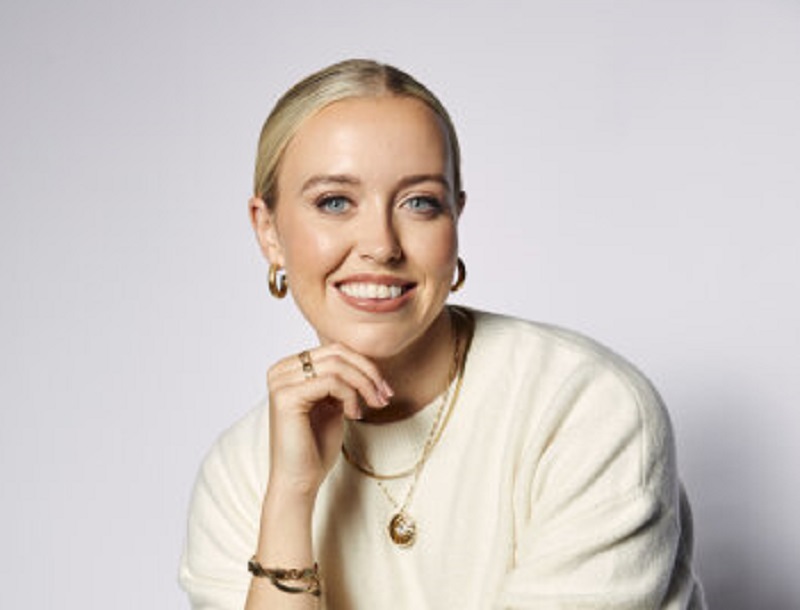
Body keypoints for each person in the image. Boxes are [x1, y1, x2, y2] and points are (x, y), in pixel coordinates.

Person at [178, 59, 706, 610]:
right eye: (335, 202)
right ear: (268, 231)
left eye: (420, 203)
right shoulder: (241, 472)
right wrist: (291, 495)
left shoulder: (582, 407)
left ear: (455, 218)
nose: (381, 245)